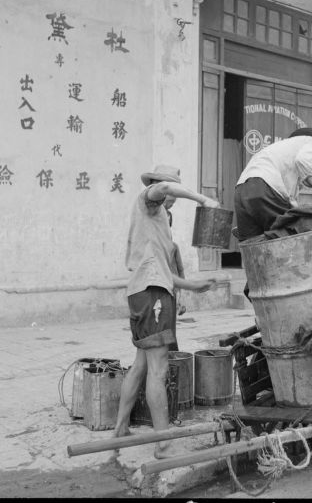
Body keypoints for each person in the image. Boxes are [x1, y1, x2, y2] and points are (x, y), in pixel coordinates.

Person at [114, 164, 219, 459]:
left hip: (146, 291)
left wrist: (193, 286)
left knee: (141, 365)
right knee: (158, 370)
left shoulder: (158, 221)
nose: (172, 197)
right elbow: (165, 189)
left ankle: (121, 428)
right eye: (172, 191)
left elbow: (165, 272)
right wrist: (202, 199)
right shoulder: (149, 201)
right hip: (152, 295)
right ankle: (163, 443)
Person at [234, 127, 312, 241]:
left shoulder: (282, 151)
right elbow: (303, 161)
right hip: (265, 185)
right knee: (290, 236)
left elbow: (289, 199)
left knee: (251, 243)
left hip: (241, 190)